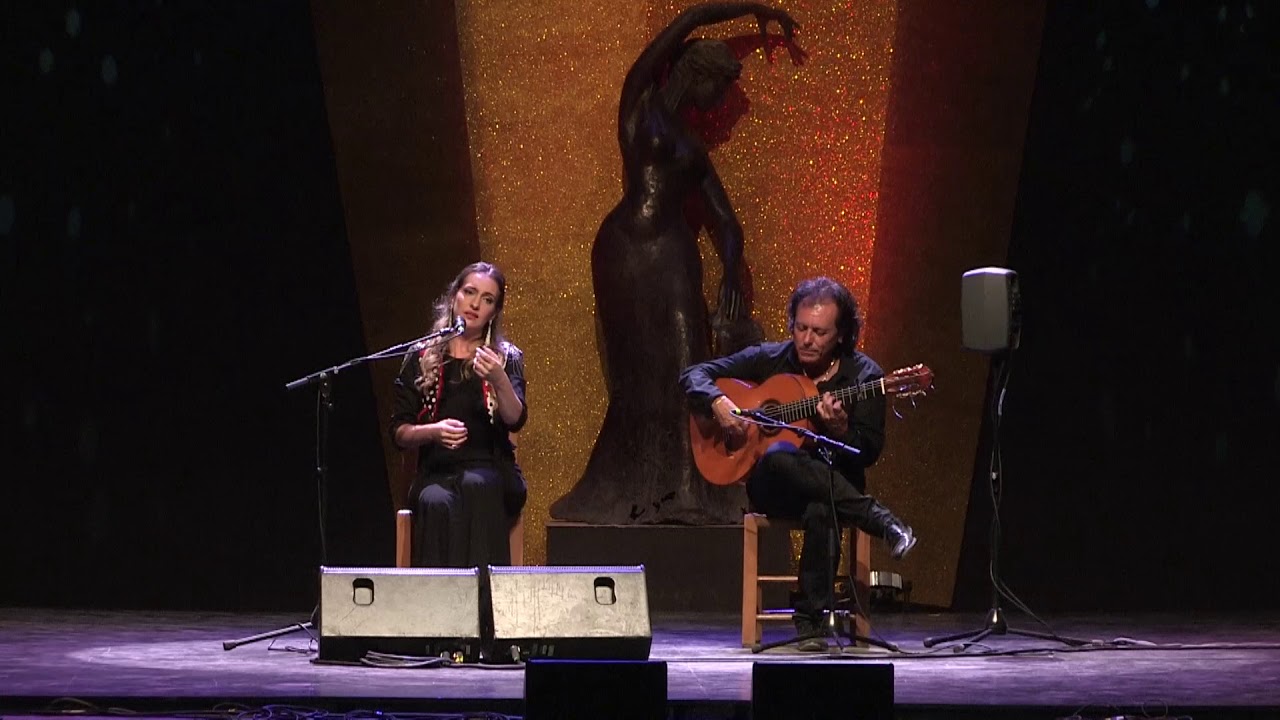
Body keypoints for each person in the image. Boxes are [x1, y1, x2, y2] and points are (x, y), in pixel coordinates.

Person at [550, 2, 803, 525]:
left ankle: (692, 488)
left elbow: (727, 222)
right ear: (697, 75)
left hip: (673, 255)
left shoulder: (693, 147)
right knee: (636, 370)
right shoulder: (640, 106)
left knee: (689, 360)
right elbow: (688, 19)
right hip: (624, 250)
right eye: (721, 89)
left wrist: (731, 270)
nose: (722, 105)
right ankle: (628, 487)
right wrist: (755, 11)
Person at [679, 276, 916, 650]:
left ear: (841, 334)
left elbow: (868, 451)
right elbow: (693, 374)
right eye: (801, 328)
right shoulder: (771, 357)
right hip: (775, 486)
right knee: (778, 455)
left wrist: (840, 431)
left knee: (823, 507)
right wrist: (718, 402)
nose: (806, 339)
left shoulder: (866, 377)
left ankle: (811, 625)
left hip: (834, 486)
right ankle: (880, 520)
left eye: (819, 332)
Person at [390, 262, 527, 567]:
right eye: (470, 292)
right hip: (436, 471)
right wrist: (433, 431)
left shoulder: (506, 358)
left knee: (477, 487)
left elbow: (515, 419)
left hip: (491, 468)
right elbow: (399, 431)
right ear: (454, 297)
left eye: (488, 299)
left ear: (494, 312)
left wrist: (499, 379)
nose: (475, 304)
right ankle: (441, 596)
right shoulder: (422, 355)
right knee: (436, 501)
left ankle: (482, 595)